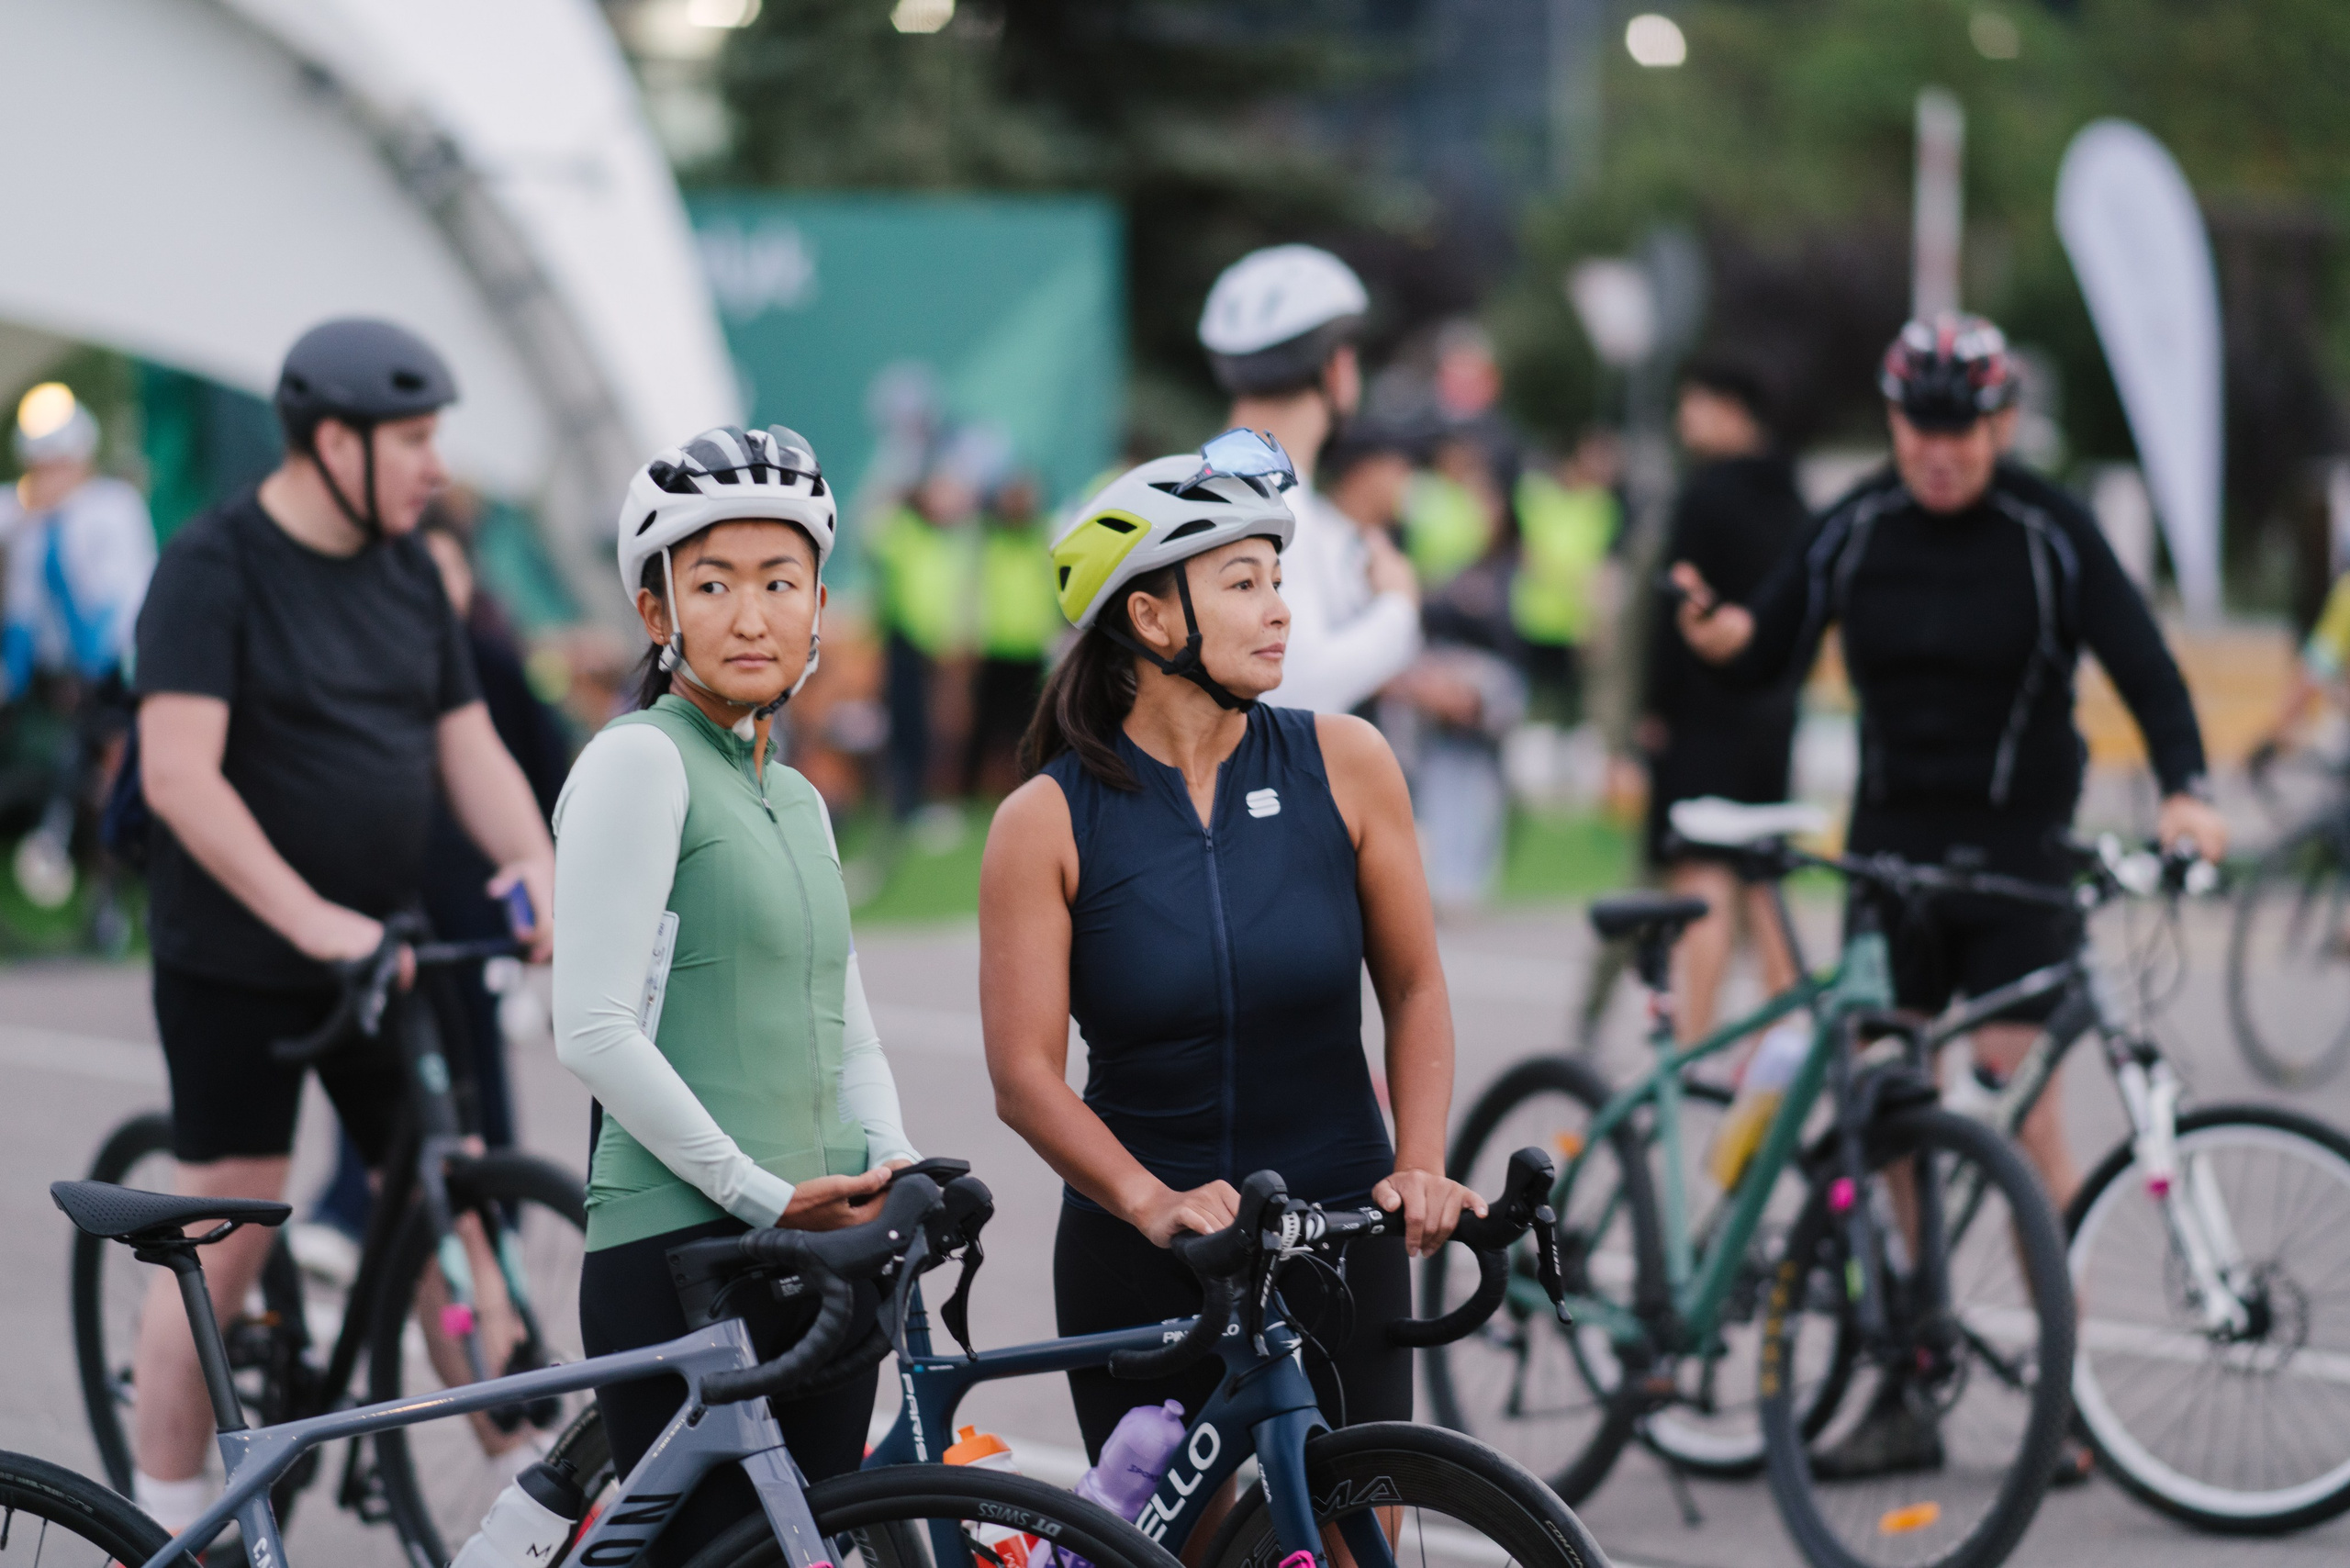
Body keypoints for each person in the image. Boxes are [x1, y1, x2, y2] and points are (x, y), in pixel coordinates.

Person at [1673, 312, 2228, 1478]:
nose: (1940, 448)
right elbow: (1773, 640)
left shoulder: (2047, 527)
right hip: (1890, 861)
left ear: (2002, 422)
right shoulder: (1860, 520)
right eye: (1920, 425)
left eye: (1963, 427)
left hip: (2018, 857)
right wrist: (1725, 634)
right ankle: (1909, 1379)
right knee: (1890, 1121)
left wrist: (2185, 788)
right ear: (1892, 421)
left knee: (2026, 1120)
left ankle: (2068, 1402)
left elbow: (2143, 665)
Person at [981, 435, 1485, 1502]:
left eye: (1277, 580)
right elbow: (1023, 1076)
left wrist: (1422, 1161)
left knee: (1355, 1536)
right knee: (1192, 1543)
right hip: (1145, 1250)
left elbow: (1415, 986)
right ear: (1151, 617)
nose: (1280, 610)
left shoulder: (1346, 762)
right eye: (1241, 582)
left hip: (1340, 1229)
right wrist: (1147, 1198)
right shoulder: (1045, 820)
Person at [126, 319, 557, 1530]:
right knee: (228, 1229)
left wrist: (535, 864)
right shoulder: (215, 567)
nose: (436, 466)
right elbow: (179, 778)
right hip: (239, 961)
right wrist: (312, 919)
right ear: (332, 442)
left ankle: (522, 1516)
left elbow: (466, 748)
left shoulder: (412, 572)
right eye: (415, 439)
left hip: (386, 948)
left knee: (447, 1201)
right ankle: (156, 1525)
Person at [554, 423, 919, 1566]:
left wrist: (897, 1165)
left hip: (819, 1248)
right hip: (685, 1255)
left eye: (780, 581)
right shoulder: (637, 760)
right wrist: (761, 1193)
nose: (751, 615)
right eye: (712, 584)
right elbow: (594, 1028)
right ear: (658, 614)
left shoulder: (802, 800)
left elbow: (842, 1020)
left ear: (820, 606)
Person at [306, 493, 575, 1254]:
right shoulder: (361, 666)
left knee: (475, 1065)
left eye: (446, 570)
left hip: (473, 900)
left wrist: (540, 873)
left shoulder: (491, 661)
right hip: (391, 896)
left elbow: (542, 767)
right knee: (376, 1054)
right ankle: (348, 1211)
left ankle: (499, 1217)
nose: (431, 588)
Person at [1640, 360, 1809, 1043]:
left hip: (1705, 716)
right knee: (1766, 883)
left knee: (1702, 879)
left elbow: (1672, 619)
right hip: (1774, 713)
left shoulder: (1705, 495)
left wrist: (1655, 709)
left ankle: (1693, 1039)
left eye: (1696, 404)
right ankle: (1789, 1038)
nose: (1687, 421)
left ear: (1732, 408)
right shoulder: (1792, 495)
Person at [1199, 244, 1422, 712]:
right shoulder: (1271, 502)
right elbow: (1292, 685)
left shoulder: (1210, 481)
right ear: (1337, 368)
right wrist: (1398, 606)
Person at [0, 382, 157, 930]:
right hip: (41, 674)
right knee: (48, 775)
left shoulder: (112, 506)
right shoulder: (20, 514)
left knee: (107, 779)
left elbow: (126, 595)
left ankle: (107, 897)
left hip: (107, 668)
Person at [869, 448, 979, 821]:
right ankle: (903, 799)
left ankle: (912, 796)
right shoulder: (904, 529)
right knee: (905, 722)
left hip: (933, 647)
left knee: (927, 726)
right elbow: (874, 539)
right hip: (903, 640)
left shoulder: (948, 540)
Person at [1512, 429, 1622, 728]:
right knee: (1534, 699)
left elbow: (1603, 569)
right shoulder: (1535, 494)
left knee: (1571, 704)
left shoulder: (1604, 508)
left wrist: (1597, 620)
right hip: (1532, 618)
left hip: (1576, 623)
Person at [966, 466, 1060, 795]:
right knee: (983, 726)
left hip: (1030, 649)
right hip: (994, 648)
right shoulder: (989, 541)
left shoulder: (1043, 542)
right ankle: (968, 791)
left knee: (1029, 727)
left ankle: (1030, 787)